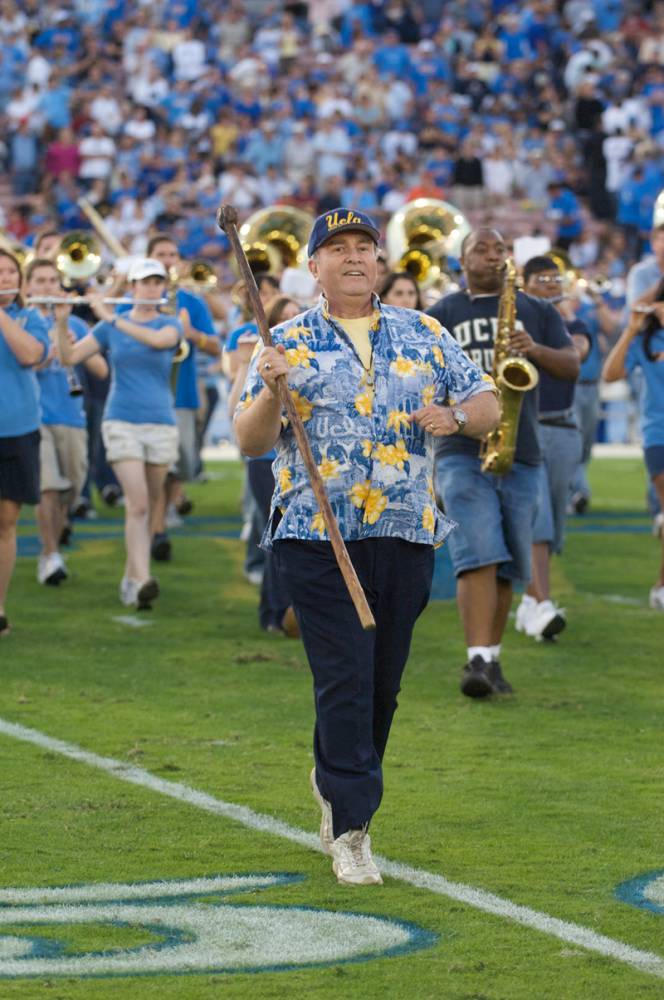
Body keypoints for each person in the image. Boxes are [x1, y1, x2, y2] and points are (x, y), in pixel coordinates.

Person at [234, 208, 499, 885]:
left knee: (381, 684)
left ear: (379, 262)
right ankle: (353, 828)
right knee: (346, 676)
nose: (354, 258)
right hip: (317, 538)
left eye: (364, 247)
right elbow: (251, 442)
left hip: (405, 531)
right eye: (338, 249)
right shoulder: (281, 339)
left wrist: (458, 417)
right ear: (314, 265)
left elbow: (488, 403)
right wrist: (270, 390)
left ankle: (335, 778)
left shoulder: (425, 331)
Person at [427, 229, 579, 696]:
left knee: (511, 561)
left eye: (499, 250)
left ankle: (490, 660)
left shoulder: (536, 310)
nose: (493, 257)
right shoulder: (441, 315)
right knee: (478, 550)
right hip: (460, 451)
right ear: (461, 259)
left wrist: (533, 350)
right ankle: (475, 658)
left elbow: (571, 365)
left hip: (523, 449)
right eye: (482, 250)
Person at [56, 258, 181, 610]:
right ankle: (142, 579)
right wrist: (62, 322)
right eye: (145, 282)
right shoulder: (112, 327)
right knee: (138, 503)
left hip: (160, 423)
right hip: (121, 420)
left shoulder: (170, 323)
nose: (152, 288)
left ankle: (131, 579)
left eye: (157, 282)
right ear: (132, 287)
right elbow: (70, 357)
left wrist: (110, 316)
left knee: (151, 504)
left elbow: (158, 341)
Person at [514, 256, 589, 640]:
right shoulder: (511, 326)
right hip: (528, 429)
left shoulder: (573, 324)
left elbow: (579, 354)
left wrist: (539, 346)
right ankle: (541, 603)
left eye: (554, 279)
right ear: (523, 284)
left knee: (554, 521)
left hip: (562, 428)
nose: (550, 284)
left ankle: (530, 600)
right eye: (541, 279)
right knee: (536, 517)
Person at [27, 257, 108, 585]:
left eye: (52, 281)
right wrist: (43, 354)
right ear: (29, 287)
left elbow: (101, 371)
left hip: (72, 417)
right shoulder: (23, 322)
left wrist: (72, 344)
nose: (47, 287)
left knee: (69, 491)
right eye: (40, 281)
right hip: (36, 417)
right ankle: (49, 556)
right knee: (48, 487)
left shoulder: (75, 324)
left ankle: (54, 544)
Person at [228, 294, 300, 636]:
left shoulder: (309, 349)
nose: (291, 320)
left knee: (293, 540)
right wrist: (244, 365)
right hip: (266, 460)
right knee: (278, 536)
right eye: (283, 316)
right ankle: (272, 612)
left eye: (296, 315)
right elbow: (236, 415)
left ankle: (291, 613)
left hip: (296, 461)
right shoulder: (261, 354)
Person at [144, 234, 219, 561]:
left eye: (173, 253)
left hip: (183, 393)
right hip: (149, 395)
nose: (168, 260)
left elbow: (216, 346)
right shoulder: (141, 299)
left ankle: (162, 515)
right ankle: (157, 529)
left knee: (181, 463)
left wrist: (192, 336)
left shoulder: (192, 299)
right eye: (161, 254)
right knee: (161, 463)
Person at [602, 280, 664, 609]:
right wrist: (631, 330)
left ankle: (661, 584)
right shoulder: (646, 339)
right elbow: (611, 374)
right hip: (659, 434)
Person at [0, 250, 50, 635]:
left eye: (9, 272)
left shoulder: (30, 318)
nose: (4, 277)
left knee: (6, 523)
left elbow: (30, 354)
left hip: (16, 430)